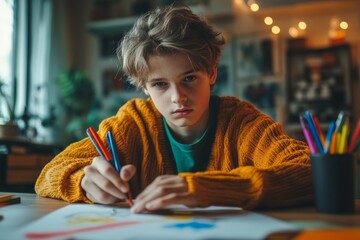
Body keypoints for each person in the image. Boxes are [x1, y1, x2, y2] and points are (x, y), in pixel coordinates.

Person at [35, 5, 312, 213]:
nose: (178, 97)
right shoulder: (132, 123)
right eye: (159, 84)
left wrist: (207, 188)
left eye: (189, 78)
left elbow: (309, 170)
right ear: (144, 87)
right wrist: (84, 181)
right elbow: (48, 174)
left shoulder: (242, 123)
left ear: (212, 73)